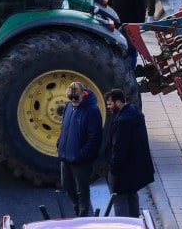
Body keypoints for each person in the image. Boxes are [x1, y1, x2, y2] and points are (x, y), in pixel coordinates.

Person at [104, 88, 153, 218]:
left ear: (119, 102)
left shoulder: (122, 122)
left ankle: (124, 225)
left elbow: (119, 148)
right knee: (132, 195)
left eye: (110, 104)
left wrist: (113, 168)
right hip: (134, 167)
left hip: (122, 170)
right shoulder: (134, 114)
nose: (109, 107)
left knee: (119, 200)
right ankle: (135, 223)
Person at [58, 82, 103, 217]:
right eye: (70, 98)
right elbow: (63, 128)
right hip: (65, 157)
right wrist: (60, 144)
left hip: (81, 160)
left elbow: (94, 137)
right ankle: (76, 206)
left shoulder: (92, 111)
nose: (73, 101)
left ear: (83, 94)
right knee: (67, 187)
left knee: (82, 191)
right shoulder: (68, 106)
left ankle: (83, 217)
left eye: (75, 98)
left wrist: (83, 155)